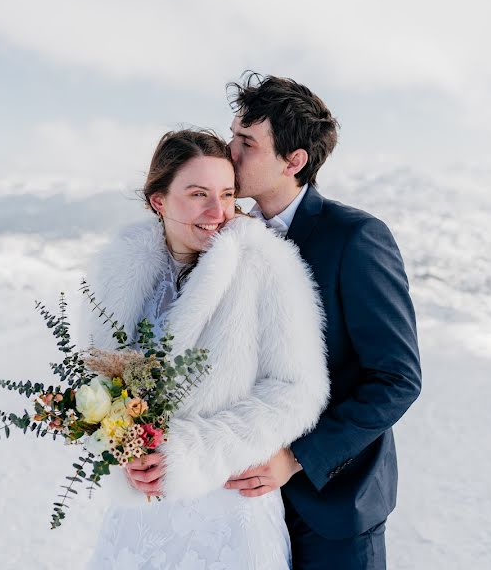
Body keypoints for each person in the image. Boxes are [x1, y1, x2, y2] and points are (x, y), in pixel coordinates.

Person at [80, 129, 329, 569]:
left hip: (228, 508)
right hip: (140, 516)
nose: (218, 212)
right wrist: (121, 447)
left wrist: (195, 452)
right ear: (160, 200)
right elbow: (95, 378)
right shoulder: (117, 270)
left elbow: (296, 388)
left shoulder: (265, 265)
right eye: (198, 194)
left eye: (228, 194)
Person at [221, 73, 422, 569]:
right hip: (241, 504)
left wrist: (296, 458)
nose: (229, 152)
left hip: (335, 506)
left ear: (294, 161)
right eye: (232, 136)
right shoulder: (228, 237)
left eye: (246, 143)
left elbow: (397, 378)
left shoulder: (356, 238)